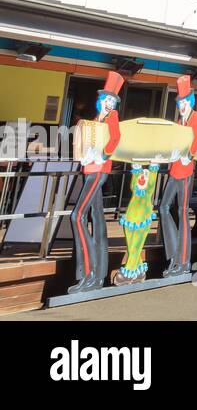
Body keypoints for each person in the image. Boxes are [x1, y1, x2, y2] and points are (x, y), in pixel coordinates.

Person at [70, 73, 122, 294]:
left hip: (98, 170)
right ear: (101, 101)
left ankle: (88, 272)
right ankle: (96, 273)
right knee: (96, 217)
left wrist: (103, 154)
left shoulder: (111, 118)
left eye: (112, 101)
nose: (109, 104)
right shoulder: (96, 119)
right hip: (90, 168)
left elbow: (115, 138)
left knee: (77, 216)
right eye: (107, 100)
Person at [160, 75, 197, 278]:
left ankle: (183, 260)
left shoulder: (194, 117)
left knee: (183, 211)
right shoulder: (180, 119)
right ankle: (174, 255)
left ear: (191, 102)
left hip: (185, 171)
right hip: (174, 170)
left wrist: (188, 155)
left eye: (185, 102)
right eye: (180, 103)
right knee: (164, 207)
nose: (182, 106)